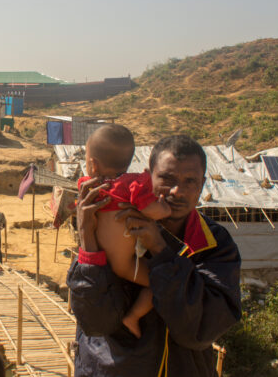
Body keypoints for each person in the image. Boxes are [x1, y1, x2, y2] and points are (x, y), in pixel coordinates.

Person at [68, 135, 241, 377]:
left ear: (201, 185)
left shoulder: (214, 243)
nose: (177, 191)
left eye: (189, 181)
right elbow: (95, 322)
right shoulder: (113, 229)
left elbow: (201, 329)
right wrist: (88, 240)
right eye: (167, 178)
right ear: (148, 176)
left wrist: (160, 249)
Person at [76, 124, 171, 338]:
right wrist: (164, 206)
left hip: (96, 259)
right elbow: (154, 211)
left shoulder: (88, 188)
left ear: (92, 164)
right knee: (161, 282)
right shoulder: (130, 186)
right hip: (124, 266)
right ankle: (133, 316)